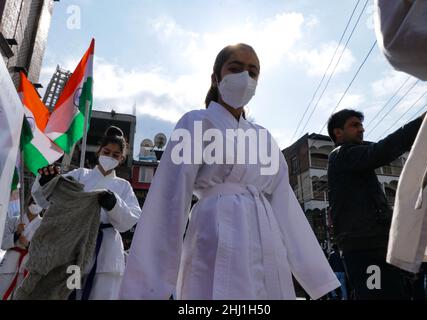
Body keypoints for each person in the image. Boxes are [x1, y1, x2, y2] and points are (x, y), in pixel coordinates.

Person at [119, 43, 340, 300]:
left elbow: (285, 205)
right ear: (216, 77)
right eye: (235, 69)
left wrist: (317, 278)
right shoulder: (195, 123)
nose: (245, 78)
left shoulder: (264, 138)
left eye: (253, 72)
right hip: (216, 230)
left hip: (266, 238)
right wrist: (146, 288)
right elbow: (169, 202)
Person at [32, 126, 141, 300]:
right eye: (107, 152)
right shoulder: (80, 175)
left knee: (103, 296)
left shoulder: (124, 186)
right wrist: (47, 182)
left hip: (107, 253)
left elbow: (128, 221)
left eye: (115, 155)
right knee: (68, 293)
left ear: (122, 158)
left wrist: (114, 204)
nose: (110, 157)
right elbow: (46, 200)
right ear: (99, 152)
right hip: (75, 246)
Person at [327, 109, 424, 300]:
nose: (361, 129)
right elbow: (379, 151)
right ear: (338, 132)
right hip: (365, 249)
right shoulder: (341, 155)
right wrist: (421, 122)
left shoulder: (353, 158)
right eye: (354, 125)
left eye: (361, 125)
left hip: (375, 245)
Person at [0, 197, 43, 300]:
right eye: (33, 202)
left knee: (20, 297)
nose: (36, 205)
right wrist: (16, 234)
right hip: (9, 264)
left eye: (39, 203)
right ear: (28, 203)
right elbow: (3, 244)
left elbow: (44, 250)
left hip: (28, 266)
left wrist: (28, 245)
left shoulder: (43, 225)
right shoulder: (14, 220)